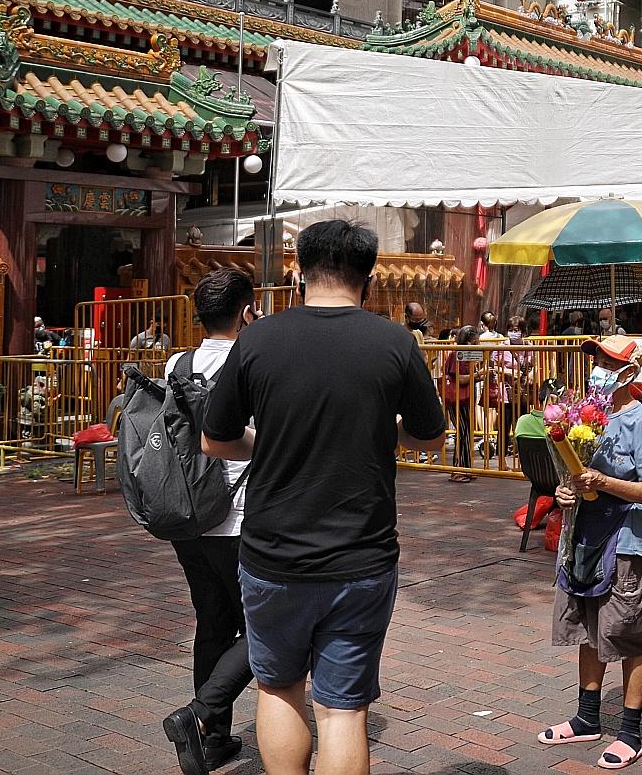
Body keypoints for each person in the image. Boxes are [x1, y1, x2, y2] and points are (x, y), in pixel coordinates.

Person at [201, 220, 446, 775]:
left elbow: (215, 440)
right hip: (362, 555)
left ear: (299, 274)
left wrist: (265, 442)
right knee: (342, 710)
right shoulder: (394, 342)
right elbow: (431, 436)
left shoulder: (257, 339)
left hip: (273, 552)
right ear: (369, 280)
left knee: (279, 687)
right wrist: (387, 431)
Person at [543, 335, 642, 770]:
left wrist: (604, 483)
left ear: (630, 372)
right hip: (582, 539)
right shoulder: (585, 415)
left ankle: (631, 733)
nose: (599, 369)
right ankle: (587, 718)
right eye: (597, 360)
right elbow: (572, 473)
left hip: (624, 543)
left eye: (609, 362)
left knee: (625, 633)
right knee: (586, 627)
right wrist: (565, 490)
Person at [163, 270, 260, 775]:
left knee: (213, 623)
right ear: (246, 312)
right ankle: (200, 716)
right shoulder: (253, 361)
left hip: (189, 516)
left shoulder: (176, 363)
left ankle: (214, 740)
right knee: (265, 627)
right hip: (240, 517)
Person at [444, 325, 480, 482]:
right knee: (462, 432)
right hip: (456, 399)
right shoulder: (456, 354)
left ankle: (466, 467)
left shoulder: (468, 355)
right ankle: (457, 470)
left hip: (466, 399)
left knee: (467, 434)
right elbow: (460, 379)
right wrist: (478, 375)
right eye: (476, 340)